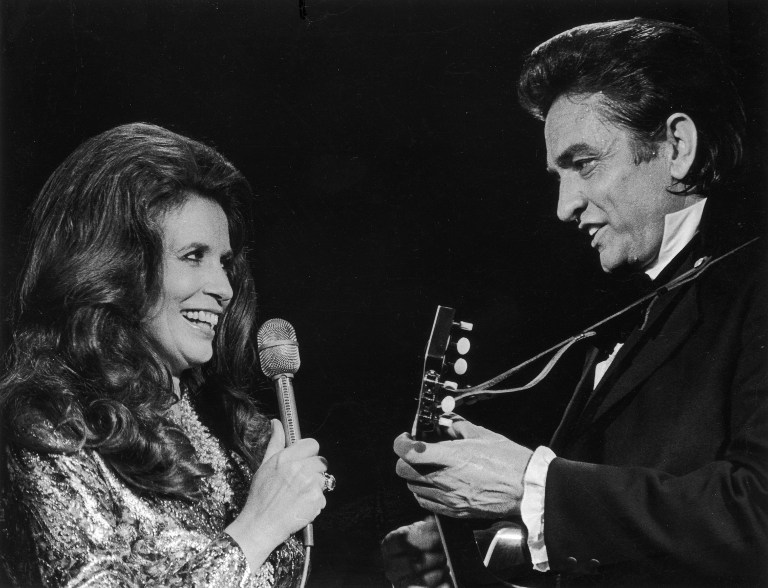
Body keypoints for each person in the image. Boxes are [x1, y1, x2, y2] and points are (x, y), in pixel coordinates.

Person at [384, 18, 767, 587]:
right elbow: (643, 525)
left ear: (676, 147)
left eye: (584, 163)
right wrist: (480, 546)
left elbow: (757, 515)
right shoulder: (650, 301)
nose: (565, 206)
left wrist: (529, 484)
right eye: (559, 174)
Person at [0, 122, 330, 587]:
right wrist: (257, 531)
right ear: (117, 265)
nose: (224, 288)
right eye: (194, 255)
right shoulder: (52, 424)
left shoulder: (224, 427)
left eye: (225, 263)